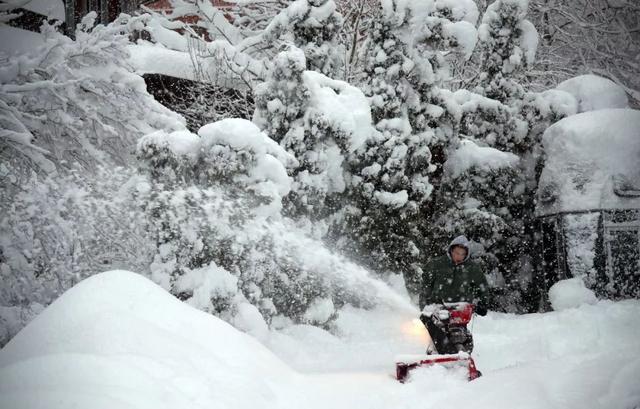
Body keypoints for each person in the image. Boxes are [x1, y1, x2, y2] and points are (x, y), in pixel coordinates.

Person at [418, 235, 489, 354]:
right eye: (457, 253)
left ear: (466, 254)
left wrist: (483, 304)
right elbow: (426, 287)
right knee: (437, 335)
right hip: (438, 308)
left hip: (460, 309)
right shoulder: (436, 265)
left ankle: (461, 355)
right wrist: (424, 306)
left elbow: (482, 287)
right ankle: (434, 357)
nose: (459, 256)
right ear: (451, 250)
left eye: (462, 254)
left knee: (459, 335)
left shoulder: (472, 269)